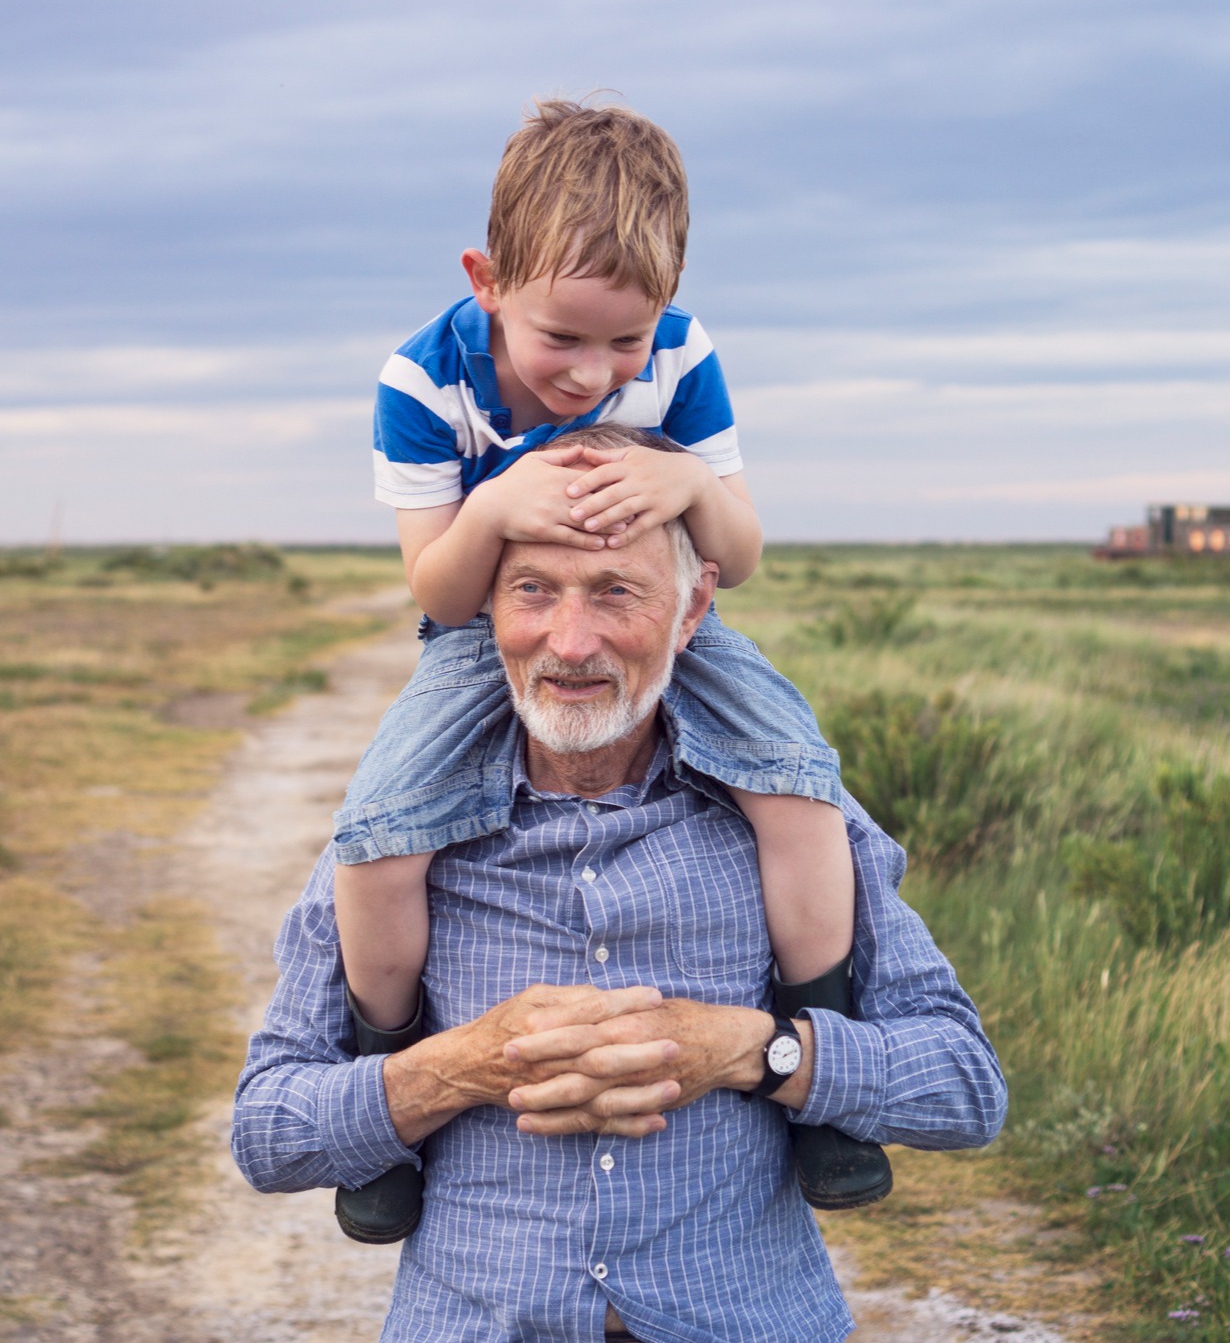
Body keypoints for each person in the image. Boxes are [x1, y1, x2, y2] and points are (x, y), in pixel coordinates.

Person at [232, 482, 1007, 1341]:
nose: (570, 643)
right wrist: (460, 1067)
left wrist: (755, 1050)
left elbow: (965, 1086)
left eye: (616, 593)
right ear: (486, 607)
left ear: (691, 608)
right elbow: (268, 1133)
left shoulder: (801, 820)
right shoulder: (395, 834)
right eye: (532, 590)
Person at [331, 98, 882, 1241]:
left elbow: (739, 555)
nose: (594, 373)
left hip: (668, 614)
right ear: (487, 281)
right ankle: (387, 1088)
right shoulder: (421, 381)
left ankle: (821, 1066)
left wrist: (689, 486)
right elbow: (437, 590)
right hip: (482, 629)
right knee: (381, 828)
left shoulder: (683, 354)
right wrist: (495, 509)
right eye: (563, 340)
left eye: (624, 340)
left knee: (797, 781)